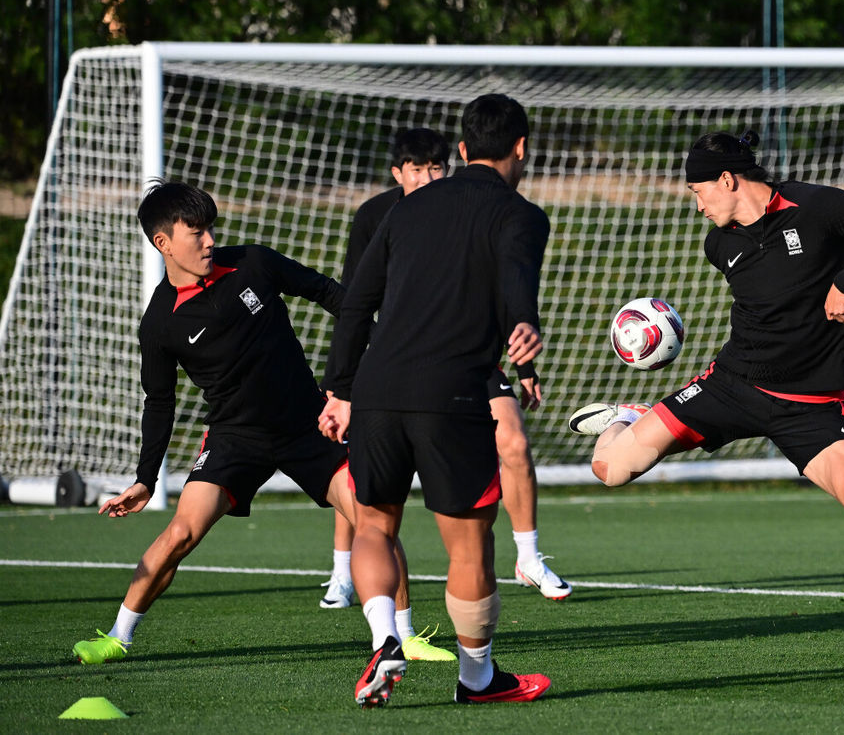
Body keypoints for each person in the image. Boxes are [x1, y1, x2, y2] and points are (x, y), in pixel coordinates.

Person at [568, 130, 844, 669]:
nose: (697, 207)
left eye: (699, 192)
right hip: (732, 386)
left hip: (810, 405)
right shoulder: (720, 244)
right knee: (610, 467)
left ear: (728, 180)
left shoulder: (815, 206)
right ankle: (631, 416)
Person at [69, 180, 412, 664]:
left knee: (373, 523)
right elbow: (159, 402)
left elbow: (330, 293)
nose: (209, 240)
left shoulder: (253, 262)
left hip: (307, 424)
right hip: (235, 439)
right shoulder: (159, 324)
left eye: (210, 228)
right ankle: (117, 637)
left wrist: (383, 347)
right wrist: (146, 479)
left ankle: (404, 638)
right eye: (196, 232)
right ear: (162, 242)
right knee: (181, 533)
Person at [318, 94, 552, 707]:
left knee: (373, 522)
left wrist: (340, 387)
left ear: (463, 149)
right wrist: (523, 329)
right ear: (521, 148)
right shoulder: (521, 215)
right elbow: (515, 283)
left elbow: (354, 301)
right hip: (452, 394)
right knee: (471, 540)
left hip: (376, 389)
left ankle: (383, 638)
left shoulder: (404, 209)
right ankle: (477, 678)